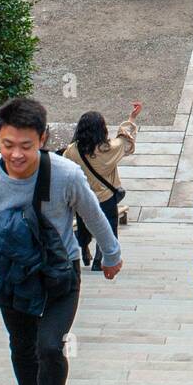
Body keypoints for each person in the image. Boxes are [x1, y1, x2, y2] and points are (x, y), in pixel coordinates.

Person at [0, 95, 122, 385]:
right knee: (22, 347)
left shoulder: (65, 174)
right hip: (14, 276)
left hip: (59, 273)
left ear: (43, 139)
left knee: (49, 345)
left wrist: (111, 255)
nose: (16, 154)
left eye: (25, 146)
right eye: (7, 145)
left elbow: (93, 214)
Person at [63, 102, 140, 270]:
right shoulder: (109, 149)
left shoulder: (72, 150)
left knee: (84, 225)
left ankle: (82, 246)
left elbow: (65, 168)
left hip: (83, 196)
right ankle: (100, 258)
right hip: (106, 196)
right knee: (108, 225)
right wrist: (132, 118)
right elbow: (125, 140)